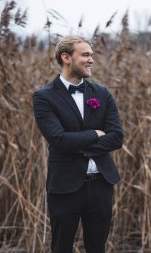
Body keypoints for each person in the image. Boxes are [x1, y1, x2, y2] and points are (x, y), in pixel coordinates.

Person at [32, 35, 123, 253]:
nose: (91, 60)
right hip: (65, 187)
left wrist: (78, 144)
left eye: (92, 55)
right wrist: (95, 133)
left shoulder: (101, 93)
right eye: (85, 55)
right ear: (66, 57)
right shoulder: (44, 97)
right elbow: (59, 140)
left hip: (101, 184)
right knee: (61, 248)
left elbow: (117, 137)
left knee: (97, 248)